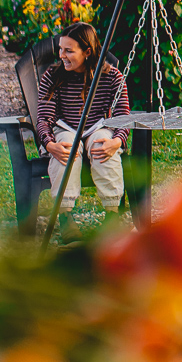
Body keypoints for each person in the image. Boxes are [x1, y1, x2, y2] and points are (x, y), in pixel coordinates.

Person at [34, 21, 130, 240]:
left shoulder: (112, 77)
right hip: (66, 126)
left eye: (69, 51)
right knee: (66, 149)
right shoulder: (53, 76)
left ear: (87, 51)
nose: (62, 55)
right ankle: (65, 217)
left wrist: (117, 142)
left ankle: (112, 215)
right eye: (60, 49)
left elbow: (123, 116)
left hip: (99, 125)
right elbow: (44, 117)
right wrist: (50, 144)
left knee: (102, 146)